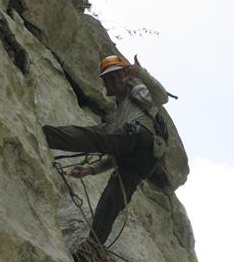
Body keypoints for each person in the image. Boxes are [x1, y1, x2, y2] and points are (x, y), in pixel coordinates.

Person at [42, 55, 168, 245]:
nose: (114, 80)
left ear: (126, 75)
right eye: (109, 78)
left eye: (118, 75)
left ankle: (46, 135)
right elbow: (119, 148)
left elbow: (162, 97)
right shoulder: (123, 114)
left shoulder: (138, 90)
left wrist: (140, 73)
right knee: (108, 206)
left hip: (140, 142)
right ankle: (90, 253)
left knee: (97, 134)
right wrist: (91, 170)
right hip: (139, 164)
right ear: (105, 83)